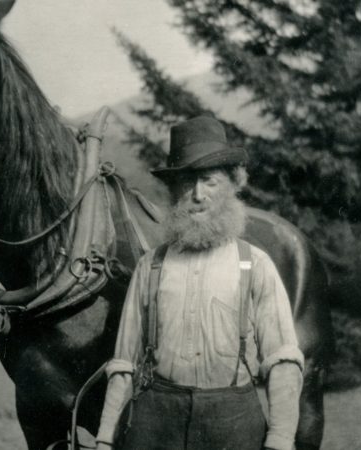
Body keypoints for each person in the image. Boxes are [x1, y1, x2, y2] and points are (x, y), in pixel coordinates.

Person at [95, 116, 304, 450]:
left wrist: (280, 439)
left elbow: (283, 360)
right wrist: (105, 439)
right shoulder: (151, 266)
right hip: (155, 422)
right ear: (174, 191)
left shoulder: (255, 264)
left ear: (233, 185)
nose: (197, 194)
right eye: (185, 183)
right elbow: (123, 364)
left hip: (233, 422)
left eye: (209, 181)